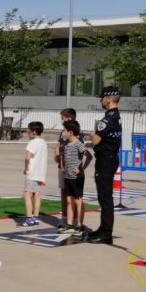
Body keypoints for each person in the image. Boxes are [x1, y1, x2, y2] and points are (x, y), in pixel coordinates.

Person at [86, 86, 122, 244]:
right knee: (105, 197)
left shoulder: (108, 119)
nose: (101, 100)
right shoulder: (116, 116)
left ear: (108, 99)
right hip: (110, 158)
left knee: (105, 197)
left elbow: (95, 140)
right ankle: (103, 229)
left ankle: (106, 233)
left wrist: (91, 134)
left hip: (105, 160)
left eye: (102, 98)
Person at [61, 120, 93, 237]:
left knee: (77, 201)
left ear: (70, 132)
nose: (62, 133)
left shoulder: (78, 144)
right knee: (69, 200)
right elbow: (63, 157)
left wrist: (81, 169)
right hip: (68, 177)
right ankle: (69, 224)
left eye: (64, 130)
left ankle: (79, 225)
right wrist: (63, 168)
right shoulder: (66, 144)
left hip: (76, 178)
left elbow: (89, 156)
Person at [54, 108, 83, 230]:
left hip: (73, 171)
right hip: (64, 168)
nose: (61, 121)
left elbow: (83, 153)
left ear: (69, 118)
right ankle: (65, 218)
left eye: (63, 118)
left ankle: (77, 220)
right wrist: (57, 155)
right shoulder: (63, 132)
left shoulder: (77, 135)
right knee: (65, 195)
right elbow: (59, 145)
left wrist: (80, 168)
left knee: (76, 198)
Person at [21, 121, 48, 227]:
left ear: (34, 132)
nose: (27, 131)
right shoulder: (43, 142)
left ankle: (29, 219)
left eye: (29, 129)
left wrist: (26, 168)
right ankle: (35, 218)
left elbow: (27, 158)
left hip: (32, 173)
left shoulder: (33, 142)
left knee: (27, 194)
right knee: (37, 194)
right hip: (40, 173)